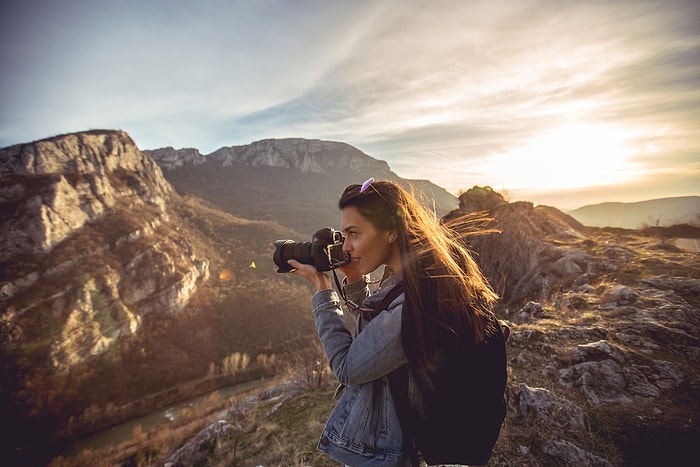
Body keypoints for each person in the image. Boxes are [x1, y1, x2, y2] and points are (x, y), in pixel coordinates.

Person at [288, 178, 501, 466]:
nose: (346, 247)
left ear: (390, 230)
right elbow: (377, 335)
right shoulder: (424, 271)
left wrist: (323, 289)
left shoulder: (417, 303)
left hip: (410, 453)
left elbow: (347, 366)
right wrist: (354, 279)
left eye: (354, 234)